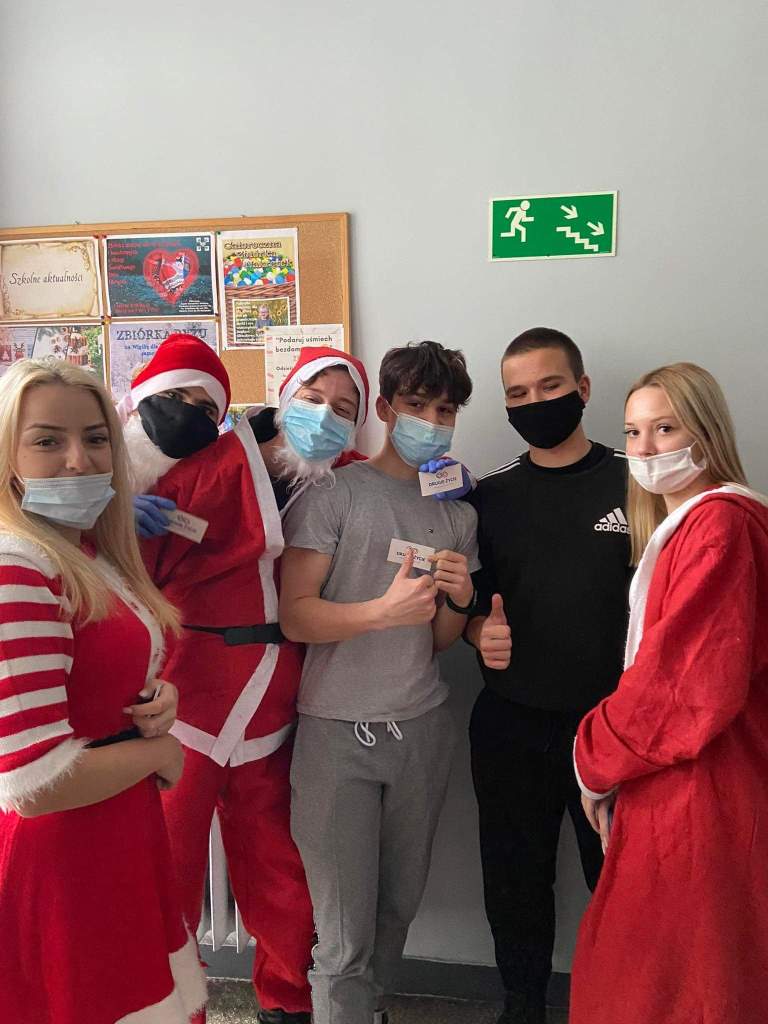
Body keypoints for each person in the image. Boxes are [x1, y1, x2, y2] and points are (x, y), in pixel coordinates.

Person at [121, 335, 372, 1024]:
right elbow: (114, 563)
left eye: (343, 407)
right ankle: (165, 1005)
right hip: (189, 694)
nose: (324, 416)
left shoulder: (346, 479)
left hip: (276, 699)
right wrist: (114, 516)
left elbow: (392, 486)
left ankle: (286, 1004)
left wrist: (438, 481)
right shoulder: (207, 465)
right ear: (285, 399)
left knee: (279, 871)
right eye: (313, 398)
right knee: (167, 863)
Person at [0, 358, 206, 1024]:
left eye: (94, 438)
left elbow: (91, 676)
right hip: (62, 853)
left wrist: (153, 701)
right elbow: (34, 782)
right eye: (47, 440)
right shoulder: (17, 565)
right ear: (8, 458)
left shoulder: (82, 553)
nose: (77, 460)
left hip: (113, 829)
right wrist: (161, 753)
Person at [279, 340, 479, 1024]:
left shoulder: (456, 512)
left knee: (398, 907)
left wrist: (459, 599)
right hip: (336, 734)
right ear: (387, 409)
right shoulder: (333, 493)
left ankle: (372, 1012)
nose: (432, 422)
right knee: (343, 933)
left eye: (445, 411)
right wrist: (378, 613)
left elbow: (440, 640)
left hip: (421, 729)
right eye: (417, 405)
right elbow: (296, 615)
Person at [571, 362, 768, 1024]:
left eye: (665, 428)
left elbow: (685, 685)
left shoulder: (719, 527)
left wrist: (593, 757)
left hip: (699, 784)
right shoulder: (697, 524)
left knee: (672, 977)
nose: (646, 448)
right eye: (633, 432)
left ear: (705, 431)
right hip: (684, 774)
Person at [464, 327, 631, 1024]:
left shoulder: (637, 482)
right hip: (512, 721)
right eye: (519, 394)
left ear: (583, 389)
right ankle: (522, 1007)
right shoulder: (488, 496)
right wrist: (478, 632)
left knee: (625, 886)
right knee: (514, 883)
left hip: (615, 728)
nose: (535, 403)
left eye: (550, 386)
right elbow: (468, 608)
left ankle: (626, 1008)